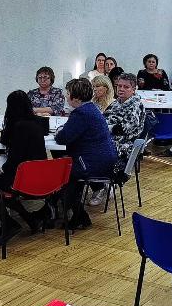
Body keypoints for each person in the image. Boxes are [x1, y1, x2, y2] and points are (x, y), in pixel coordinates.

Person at [0, 91, 48, 246]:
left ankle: (9, 223)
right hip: (39, 177)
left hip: (22, 178)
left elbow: (15, 159)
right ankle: (29, 219)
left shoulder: (19, 127)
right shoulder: (36, 123)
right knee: (2, 191)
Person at [55, 78, 117, 229]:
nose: (66, 96)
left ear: (75, 97)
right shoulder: (91, 109)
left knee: (62, 174)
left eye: (67, 93)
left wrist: (59, 132)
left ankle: (76, 215)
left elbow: (63, 138)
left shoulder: (81, 114)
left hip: (92, 163)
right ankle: (79, 216)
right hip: (103, 160)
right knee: (66, 171)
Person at [91, 73, 147, 207]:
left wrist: (103, 127)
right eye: (119, 86)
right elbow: (102, 120)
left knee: (86, 154)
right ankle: (99, 185)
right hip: (110, 141)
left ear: (133, 89)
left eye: (126, 87)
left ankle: (100, 186)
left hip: (123, 147)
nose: (121, 89)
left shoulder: (136, 105)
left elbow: (123, 129)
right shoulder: (116, 103)